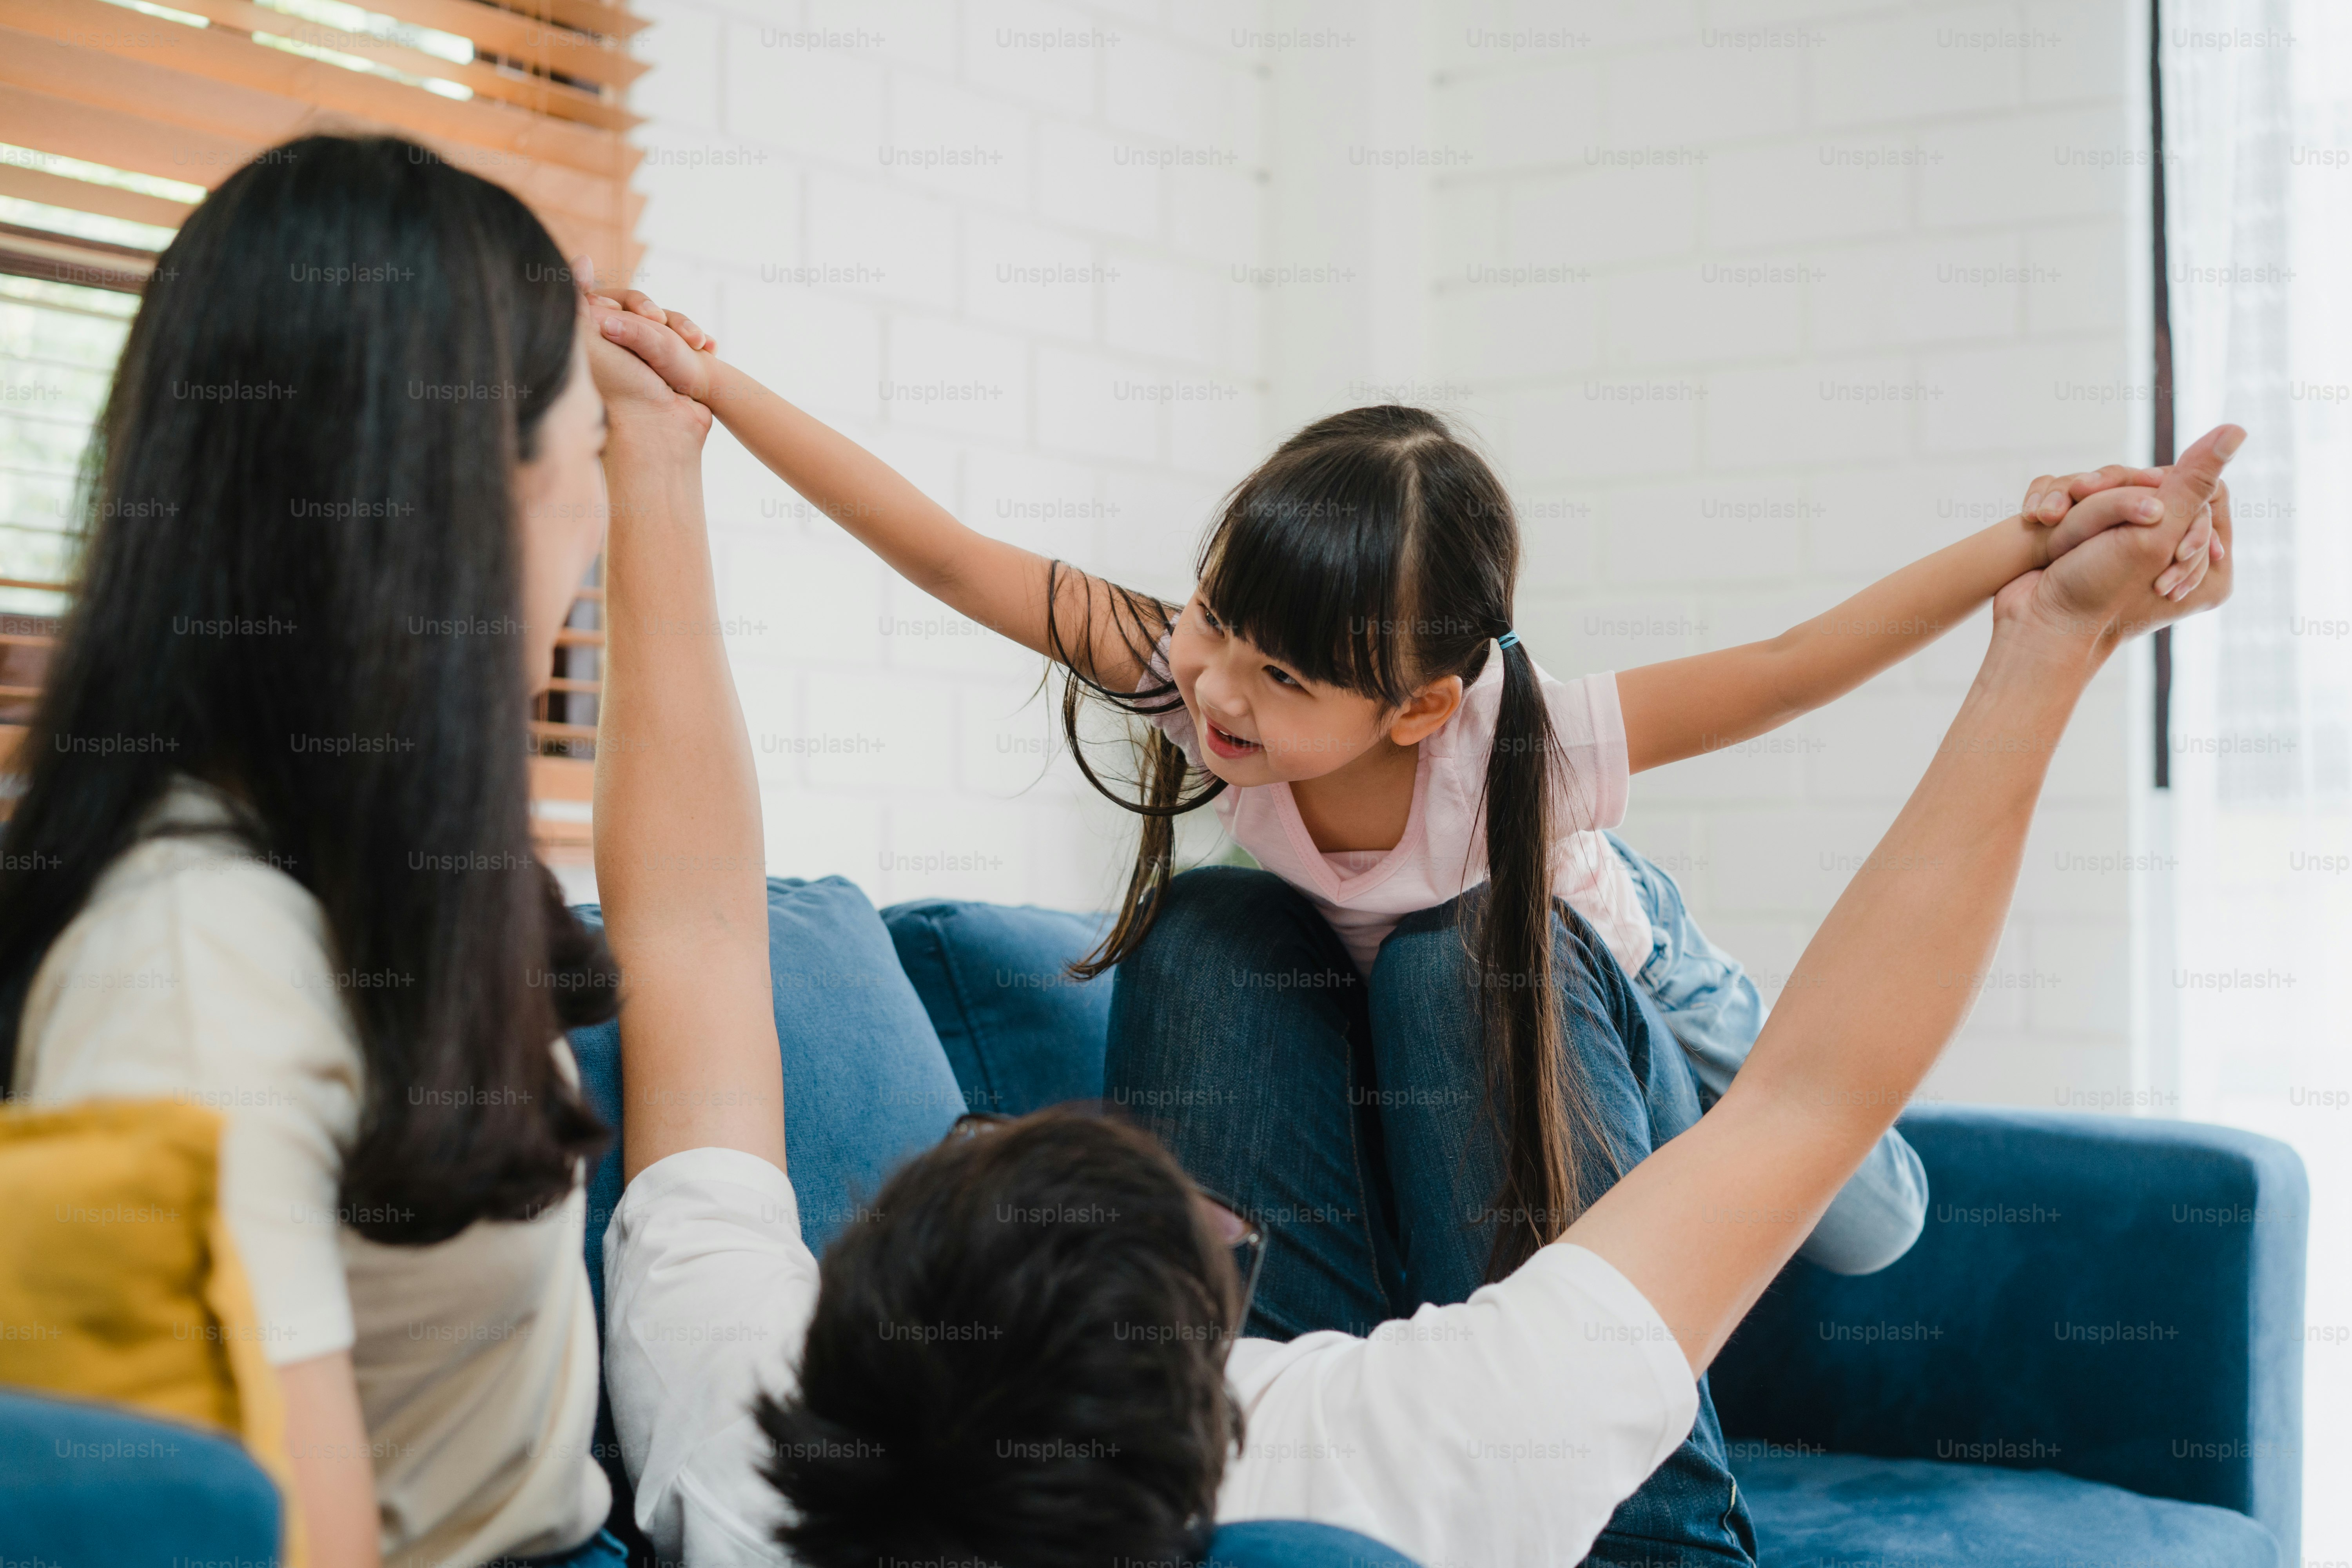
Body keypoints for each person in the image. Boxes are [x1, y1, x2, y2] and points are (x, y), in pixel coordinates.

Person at [579, 296, 2239, 1568]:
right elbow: (1816, 1091)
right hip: (1493, 1005)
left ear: (842, 1325)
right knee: (1413, 956)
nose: (1213, 684)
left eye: (1272, 663)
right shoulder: (1397, 1451)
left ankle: (1616, 926)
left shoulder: (744, 1445)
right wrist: (2048, 626)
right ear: (1203, 1394)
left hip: (1551, 948)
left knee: (1311, 934)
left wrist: (662, 438)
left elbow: (693, 936)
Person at [0, 136, 707, 1568]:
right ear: (462, 505)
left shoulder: (365, 867)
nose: (594, 522)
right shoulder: (200, 973)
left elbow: (696, 926)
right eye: (588, 459)